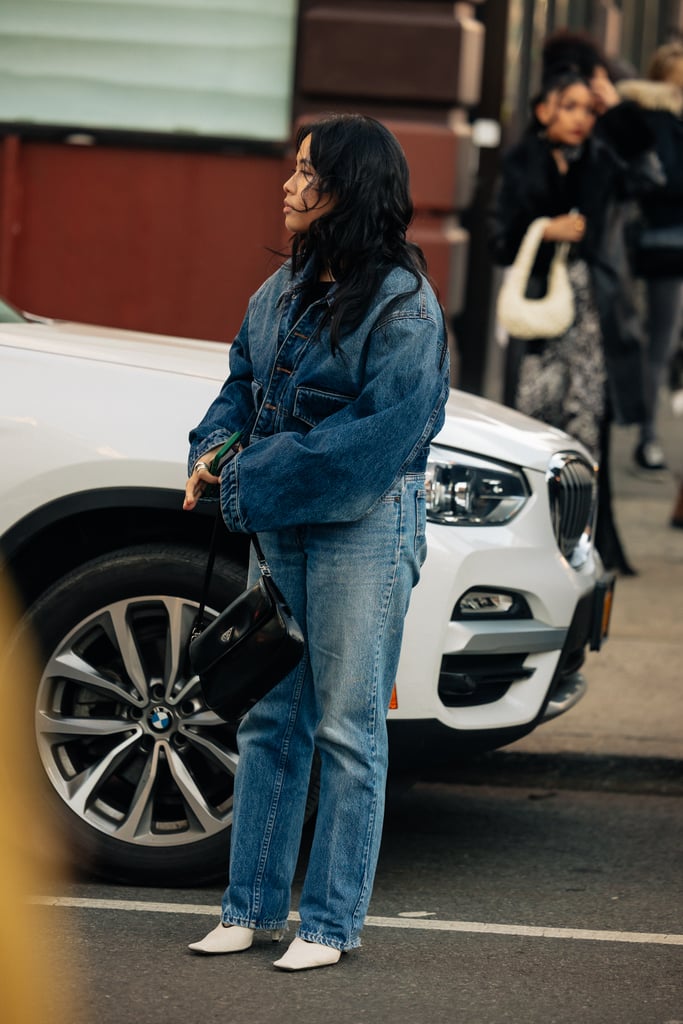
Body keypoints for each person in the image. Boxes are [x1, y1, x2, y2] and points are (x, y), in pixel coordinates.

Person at [182, 114, 450, 971]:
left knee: (345, 726)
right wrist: (213, 453)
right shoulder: (283, 291)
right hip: (285, 526)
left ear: (348, 189)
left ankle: (329, 924)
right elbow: (242, 384)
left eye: (307, 173)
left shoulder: (404, 307)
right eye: (293, 169)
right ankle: (250, 908)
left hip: (362, 531)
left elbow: (375, 442)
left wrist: (248, 479)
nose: (288, 186)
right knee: (271, 720)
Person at [490, 62, 659, 575]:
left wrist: (619, 111)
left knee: (587, 427)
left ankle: (586, 543)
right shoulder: (521, 163)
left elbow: (653, 176)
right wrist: (544, 229)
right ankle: (528, 541)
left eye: (589, 109)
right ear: (544, 111)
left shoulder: (602, 158)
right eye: (570, 107)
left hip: (590, 317)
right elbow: (499, 240)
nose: (580, 118)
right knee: (533, 423)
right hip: (541, 314)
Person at [618, 43, 683, 473]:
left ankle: (647, 434)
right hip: (668, 245)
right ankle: (647, 437)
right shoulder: (661, 121)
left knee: (660, 342)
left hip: (664, 243)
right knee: (660, 343)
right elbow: (667, 181)